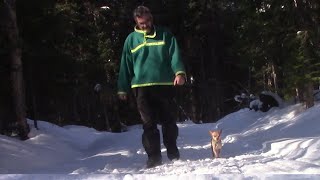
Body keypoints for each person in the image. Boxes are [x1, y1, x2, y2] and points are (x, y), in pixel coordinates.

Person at [117, 5, 186, 168]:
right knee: (148, 124)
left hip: (164, 85)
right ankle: (154, 157)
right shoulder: (131, 40)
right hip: (141, 88)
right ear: (136, 22)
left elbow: (175, 54)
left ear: (151, 18)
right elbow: (125, 66)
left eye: (148, 21)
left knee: (169, 120)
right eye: (142, 23)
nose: (146, 25)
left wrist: (180, 73)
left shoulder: (165, 34)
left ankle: (172, 151)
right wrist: (122, 88)